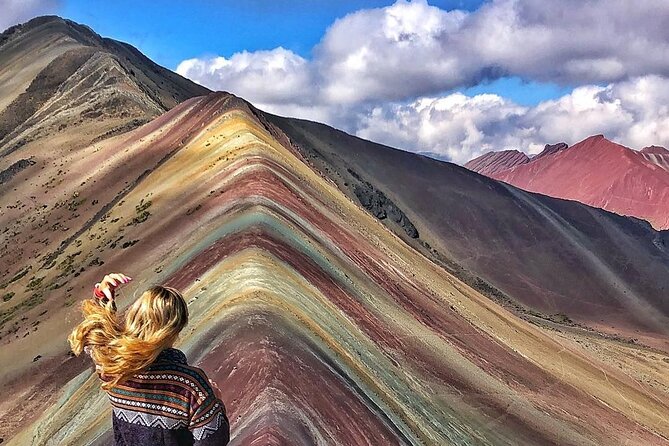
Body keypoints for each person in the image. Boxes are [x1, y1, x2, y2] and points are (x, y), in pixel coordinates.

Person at [68, 272, 230, 445]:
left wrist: (101, 299)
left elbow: (96, 337)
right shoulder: (190, 385)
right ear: (177, 328)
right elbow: (213, 440)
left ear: (135, 316)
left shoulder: (113, 367)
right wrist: (216, 403)